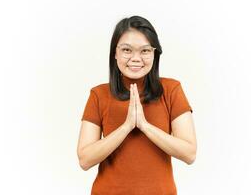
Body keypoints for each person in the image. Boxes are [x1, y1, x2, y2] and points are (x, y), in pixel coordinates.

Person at [77, 15, 197, 195]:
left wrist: (144, 126)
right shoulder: (98, 94)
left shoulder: (172, 90)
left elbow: (189, 153)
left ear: (154, 53)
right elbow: (85, 160)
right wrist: (126, 127)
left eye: (145, 51)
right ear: (115, 53)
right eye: (127, 50)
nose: (135, 58)